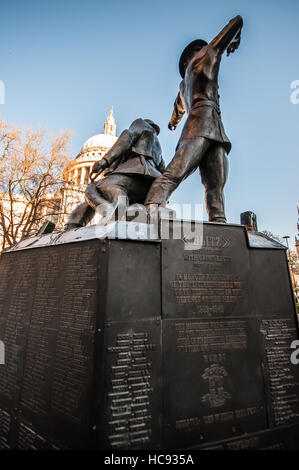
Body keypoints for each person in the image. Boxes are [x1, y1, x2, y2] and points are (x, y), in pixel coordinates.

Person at [144, 15, 243, 223]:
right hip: (205, 123)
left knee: (211, 183)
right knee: (185, 176)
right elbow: (236, 21)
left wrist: (173, 122)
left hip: (206, 129)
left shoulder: (182, 86)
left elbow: (177, 109)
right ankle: (151, 208)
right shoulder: (206, 56)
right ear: (198, 52)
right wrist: (236, 36)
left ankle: (218, 221)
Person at [65, 118, 165, 229]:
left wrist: (104, 161)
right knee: (101, 191)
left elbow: (128, 136)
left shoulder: (141, 124)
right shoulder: (158, 148)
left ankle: (110, 213)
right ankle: (74, 224)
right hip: (150, 187)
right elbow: (163, 171)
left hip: (137, 174)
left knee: (103, 187)